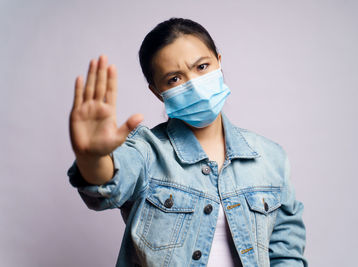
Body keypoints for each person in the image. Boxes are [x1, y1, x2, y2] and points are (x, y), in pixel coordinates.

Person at [67, 17, 307, 267]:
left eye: (202, 67)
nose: (194, 85)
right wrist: (92, 158)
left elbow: (286, 255)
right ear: (157, 91)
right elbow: (109, 181)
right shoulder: (147, 151)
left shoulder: (270, 158)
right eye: (174, 79)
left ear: (219, 63)